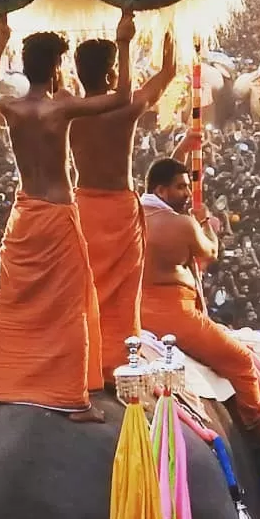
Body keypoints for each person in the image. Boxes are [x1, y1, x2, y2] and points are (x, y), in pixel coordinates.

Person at [0, 11, 134, 421]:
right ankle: (73, 399)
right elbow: (120, 99)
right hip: (58, 214)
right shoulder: (59, 107)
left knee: (11, 301)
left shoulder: (11, 106)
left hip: (25, 213)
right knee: (70, 303)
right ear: (57, 68)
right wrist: (124, 43)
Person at [70, 30, 176, 382]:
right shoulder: (125, 108)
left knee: (86, 289)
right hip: (118, 210)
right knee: (121, 295)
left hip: (82, 207)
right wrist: (171, 27)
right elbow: (168, 72)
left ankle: (81, 360)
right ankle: (115, 363)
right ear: (111, 74)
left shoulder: (67, 111)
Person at [138, 156, 260, 428]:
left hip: (133, 314)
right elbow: (211, 251)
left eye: (187, 186)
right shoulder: (182, 224)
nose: (187, 194)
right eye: (181, 187)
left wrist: (186, 144)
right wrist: (204, 220)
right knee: (242, 362)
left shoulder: (132, 215)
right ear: (161, 191)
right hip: (175, 317)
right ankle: (252, 429)